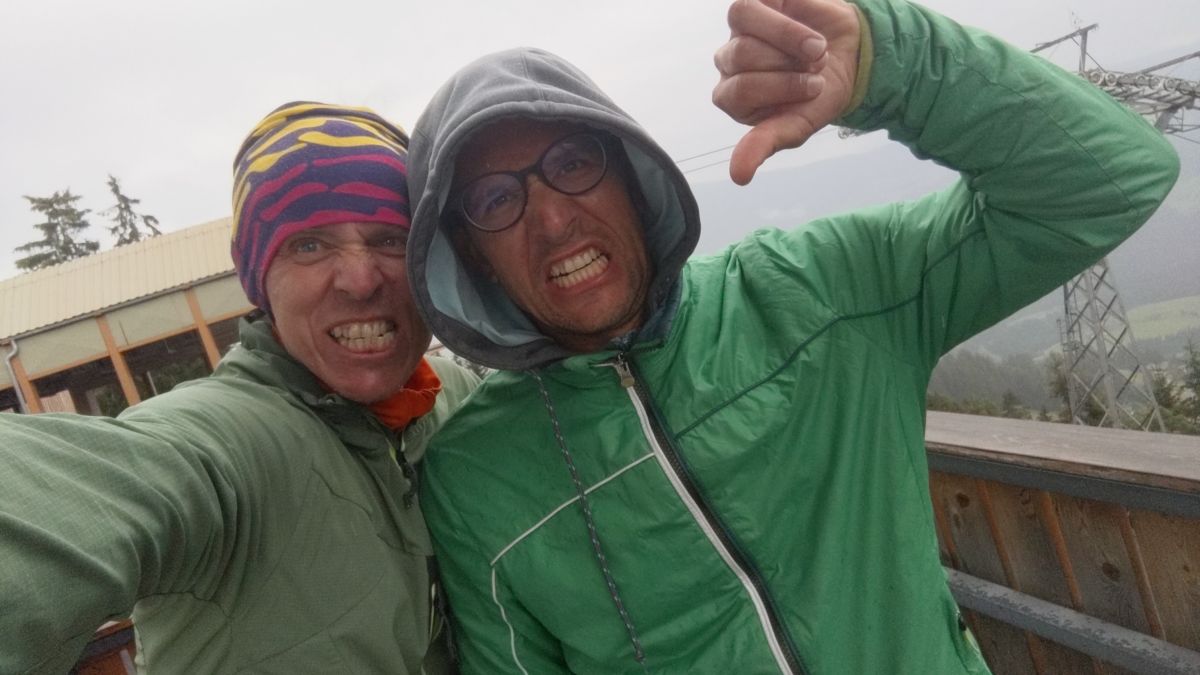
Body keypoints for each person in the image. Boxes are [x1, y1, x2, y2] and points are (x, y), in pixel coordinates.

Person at [402, 0, 1180, 672]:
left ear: (633, 172)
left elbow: (1109, 180)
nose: (551, 217)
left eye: (575, 161)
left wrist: (886, 63)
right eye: (494, 200)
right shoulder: (474, 478)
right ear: (471, 256)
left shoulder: (819, 290)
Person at [0, 102, 477, 673]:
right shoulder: (228, 441)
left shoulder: (456, 398)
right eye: (309, 245)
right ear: (257, 278)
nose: (359, 280)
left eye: (391, 239)